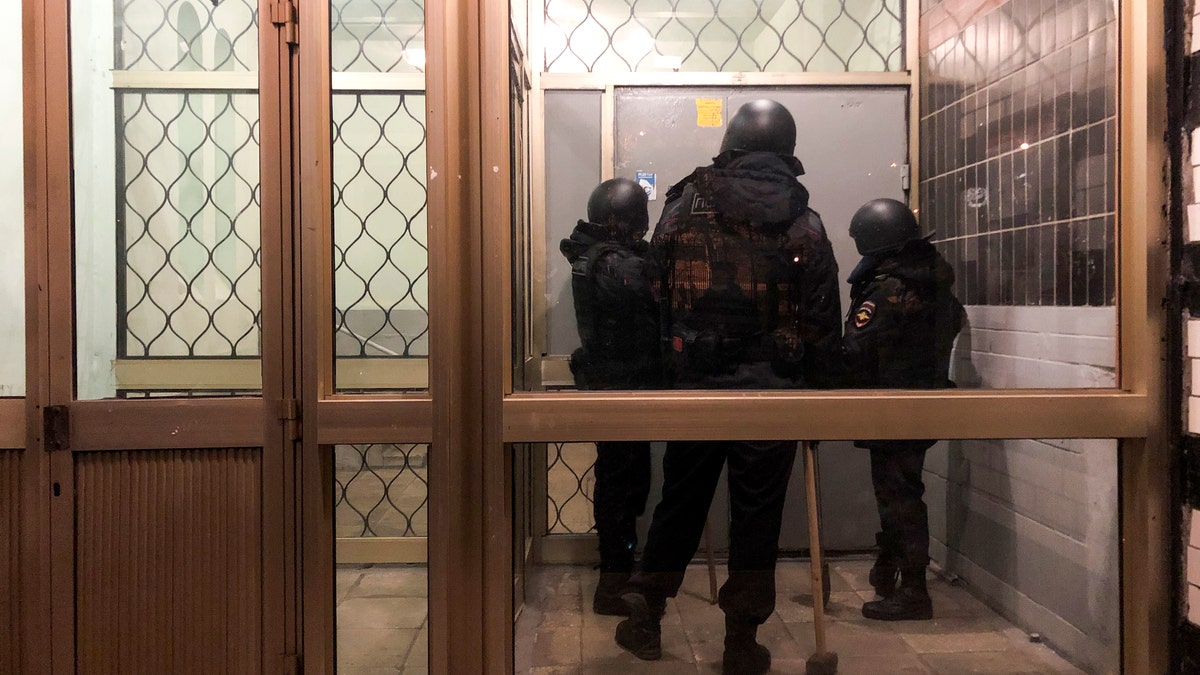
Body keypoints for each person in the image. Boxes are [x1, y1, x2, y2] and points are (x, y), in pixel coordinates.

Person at [614, 100, 842, 675]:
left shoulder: (681, 207)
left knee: (681, 499)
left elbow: (653, 291)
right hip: (773, 395)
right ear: (787, 152)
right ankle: (741, 640)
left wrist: (674, 365)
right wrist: (818, 396)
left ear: (731, 144)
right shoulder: (804, 222)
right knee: (757, 516)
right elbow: (821, 322)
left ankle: (648, 606)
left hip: (697, 389)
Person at [841, 198, 964, 621]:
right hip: (921, 406)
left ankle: (912, 592)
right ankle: (891, 567)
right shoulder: (933, 281)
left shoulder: (889, 289)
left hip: (892, 408)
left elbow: (857, 346)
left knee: (899, 497)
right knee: (901, 492)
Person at [560, 178, 660, 615]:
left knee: (627, 484)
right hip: (621, 390)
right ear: (620, 220)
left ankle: (619, 568)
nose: (644, 229)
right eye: (638, 221)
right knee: (622, 487)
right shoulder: (612, 261)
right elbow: (653, 294)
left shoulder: (598, 256)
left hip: (619, 387)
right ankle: (614, 580)